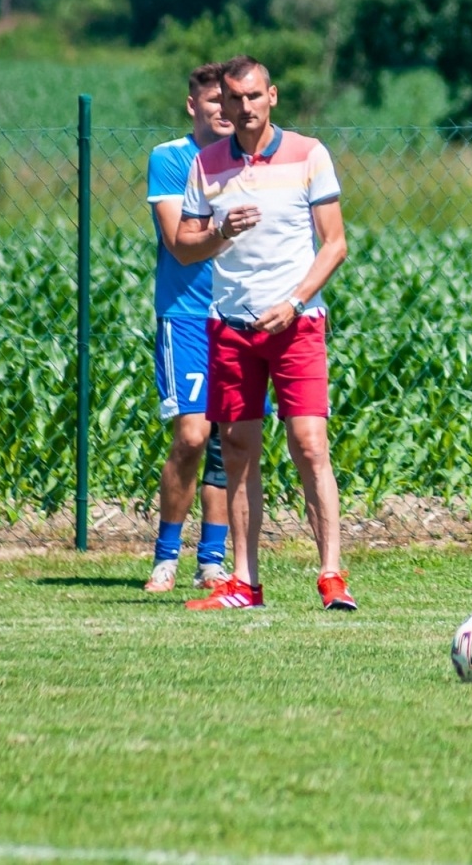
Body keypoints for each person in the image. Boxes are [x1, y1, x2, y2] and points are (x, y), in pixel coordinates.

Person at [176, 55, 354, 611]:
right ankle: (245, 583)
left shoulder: (309, 154)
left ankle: (332, 576)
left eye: (254, 96)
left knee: (310, 444)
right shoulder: (206, 164)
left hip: (297, 325)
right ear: (223, 104)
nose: (245, 106)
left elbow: (335, 245)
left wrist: (295, 302)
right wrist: (219, 232)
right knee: (237, 449)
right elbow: (185, 247)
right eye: (234, 98)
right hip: (230, 327)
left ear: (271, 96)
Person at [143, 64, 235, 593]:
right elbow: (179, 243)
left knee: (229, 443)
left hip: (241, 313)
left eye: (231, 99)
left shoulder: (251, 162)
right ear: (192, 105)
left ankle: (212, 562)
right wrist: (227, 229)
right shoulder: (171, 158)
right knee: (193, 435)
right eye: (213, 100)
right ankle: (165, 556)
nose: (224, 109)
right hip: (187, 317)